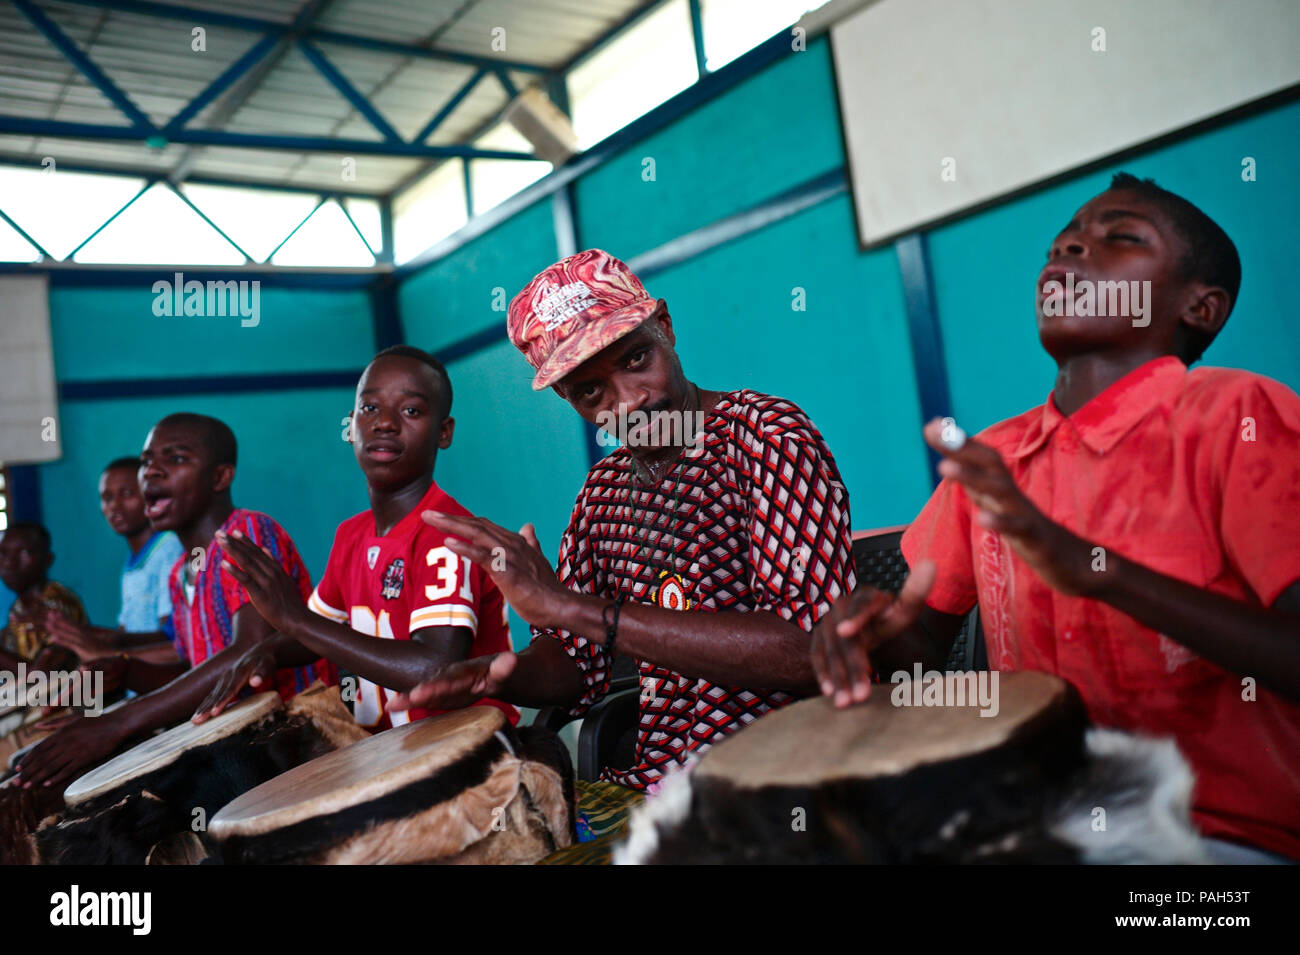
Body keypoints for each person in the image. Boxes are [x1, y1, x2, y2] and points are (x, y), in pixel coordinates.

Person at [811, 173, 1300, 863]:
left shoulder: (1239, 415)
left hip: (1216, 842)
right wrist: (873, 636)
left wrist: (1096, 572)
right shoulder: (994, 461)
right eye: (1064, 240)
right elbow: (920, 648)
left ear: (1202, 307)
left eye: (1121, 236)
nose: (1070, 247)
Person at [389, 249, 856, 853]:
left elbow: (812, 651)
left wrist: (575, 610)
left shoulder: (765, 439)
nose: (629, 401)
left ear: (665, 327)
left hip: (783, 782)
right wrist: (497, 677)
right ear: (566, 399)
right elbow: (578, 667)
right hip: (655, 790)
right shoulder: (602, 494)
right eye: (591, 391)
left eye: (637, 358)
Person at [196, 346, 516, 730]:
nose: (385, 423)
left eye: (411, 411)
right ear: (350, 427)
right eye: (369, 409)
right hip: (386, 754)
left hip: (470, 749)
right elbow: (313, 631)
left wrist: (295, 620)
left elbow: (437, 666)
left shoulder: (447, 532)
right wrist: (264, 652)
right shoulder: (351, 534)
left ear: (443, 432)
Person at [14, 413, 335, 791]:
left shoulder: (244, 532)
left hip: (293, 735)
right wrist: (125, 671)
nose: (151, 472)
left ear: (220, 477)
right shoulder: (180, 571)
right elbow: (193, 668)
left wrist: (118, 723)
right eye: (147, 461)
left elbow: (248, 650)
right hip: (232, 741)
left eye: (176, 458)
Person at [44, 457, 184, 667]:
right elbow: (128, 632)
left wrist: (102, 648)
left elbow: (174, 639)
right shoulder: (132, 562)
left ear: (151, 496)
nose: (115, 506)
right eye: (107, 498)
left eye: (127, 494)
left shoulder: (170, 549)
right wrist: (77, 635)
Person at [0, 522, 84, 673]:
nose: (9, 563)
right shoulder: (18, 608)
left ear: (48, 559)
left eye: (23, 553)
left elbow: (43, 676)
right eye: (3, 553)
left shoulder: (57, 604)